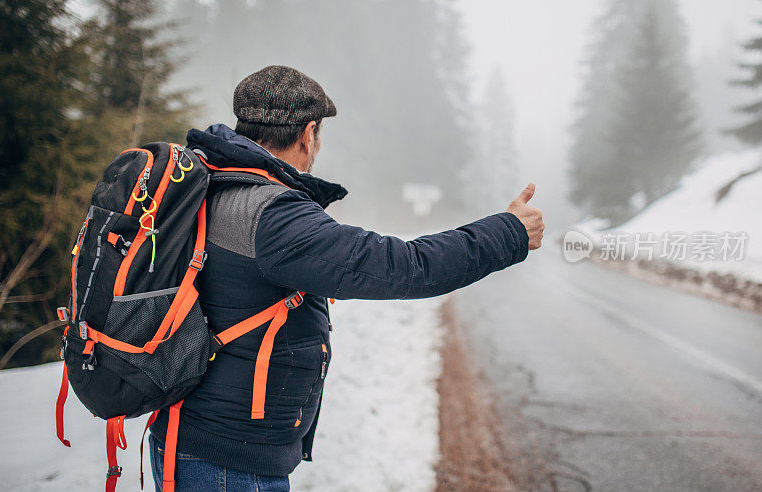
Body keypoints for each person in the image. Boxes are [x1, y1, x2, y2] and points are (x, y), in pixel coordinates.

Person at [148, 65, 544, 492]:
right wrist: (509, 231)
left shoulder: (211, 182)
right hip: (227, 462)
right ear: (308, 133)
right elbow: (405, 267)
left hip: (192, 439)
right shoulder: (271, 216)